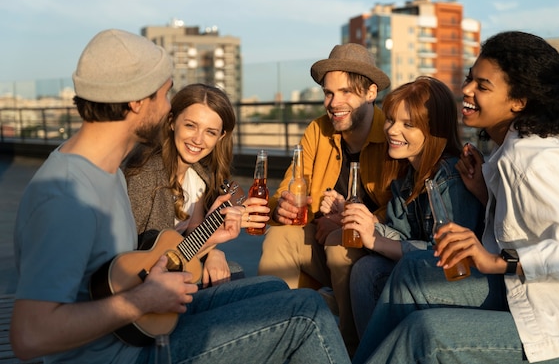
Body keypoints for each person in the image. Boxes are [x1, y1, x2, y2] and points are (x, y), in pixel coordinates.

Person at [10, 28, 351, 364]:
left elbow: (136, 266)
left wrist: (208, 241)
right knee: (306, 312)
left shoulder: (105, 171)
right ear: (136, 99)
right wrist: (142, 300)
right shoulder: (65, 195)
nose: (167, 107)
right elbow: (30, 336)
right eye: (164, 94)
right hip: (125, 353)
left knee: (276, 291)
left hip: (140, 327)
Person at [352, 31, 559, 364]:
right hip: (537, 294)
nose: (466, 90)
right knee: (412, 270)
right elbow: (530, 223)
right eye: (470, 79)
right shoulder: (510, 148)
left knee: (425, 333)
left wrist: (496, 261)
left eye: (482, 86)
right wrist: (485, 193)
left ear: (519, 101)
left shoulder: (535, 158)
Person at [257, 43, 393, 355]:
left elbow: (402, 209)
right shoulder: (318, 130)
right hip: (320, 240)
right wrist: (285, 206)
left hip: (374, 251)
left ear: (370, 92)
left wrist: (347, 218)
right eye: (329, 93)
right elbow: (283, 192)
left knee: (341, 240)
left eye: (345, 92)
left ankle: (349, 347)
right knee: (279, 236)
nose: (333, 103)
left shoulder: (390, 133)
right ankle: (272, 334)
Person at [327, 77, 483, 339]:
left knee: (368, 270)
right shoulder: (407, 178)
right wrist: (368, 225)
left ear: (435, 130)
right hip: (423, 270)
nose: (392, 130)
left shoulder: (452, 177)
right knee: (364, 266)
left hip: (464, 280)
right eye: (390, 120)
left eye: (408, 124)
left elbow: (448, 255)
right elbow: (402, 236)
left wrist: (374, 240)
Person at [124, 83, 267, 287]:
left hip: (171, 269)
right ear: (172, 122)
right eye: (191, 125)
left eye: (210, 132)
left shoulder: (201, 178)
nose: (198, 139)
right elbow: (132, 258)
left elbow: (186, 247)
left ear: (221, 136)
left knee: (247, 277)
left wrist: (214, 247)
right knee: (242, 278)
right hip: (139, 285)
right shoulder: (145, 173)